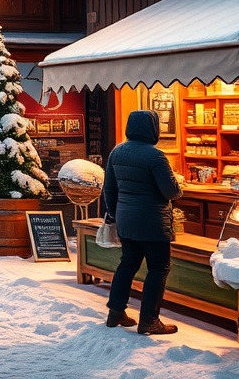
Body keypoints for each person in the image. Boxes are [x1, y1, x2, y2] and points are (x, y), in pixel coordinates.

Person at [102, 110, 183, 335]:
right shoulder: (155, 156)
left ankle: (115, 311)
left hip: (126, 220)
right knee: (158, 268)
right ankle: (149, 320)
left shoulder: (117, 152)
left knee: (127, 264)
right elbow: (171, 191)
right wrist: (179, 185)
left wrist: (116, 215)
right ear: (153, 128)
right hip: (152, 221)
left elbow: (109, 189)